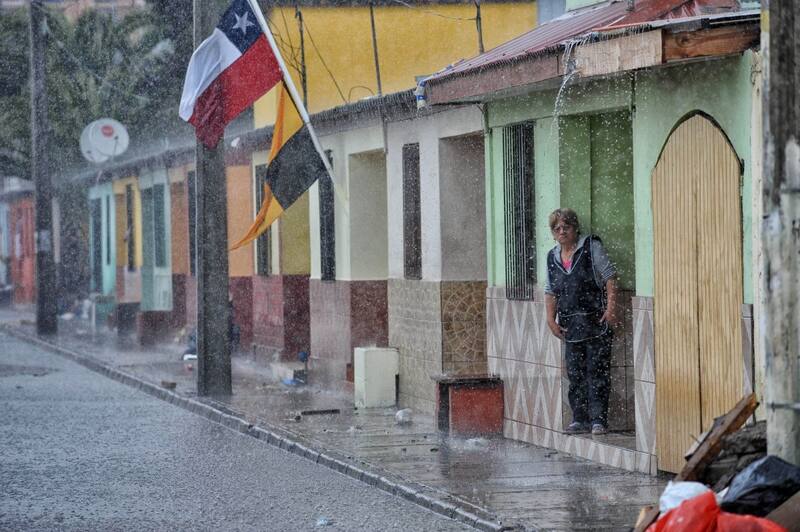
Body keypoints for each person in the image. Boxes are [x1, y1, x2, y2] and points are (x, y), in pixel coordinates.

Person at [544, 208, 618, 436]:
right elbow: (550, 291)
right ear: (553, 233)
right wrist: (550, 319)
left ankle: (598, 420)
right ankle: (579, 419)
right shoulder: (552, 257)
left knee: (597, 372)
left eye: (566, 226)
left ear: (575, 228)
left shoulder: (591, 248)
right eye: (557, 228)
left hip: (595, 321)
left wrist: (611, 309)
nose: (562, 231)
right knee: (575, 374)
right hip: (570, 326)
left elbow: (610, 277)